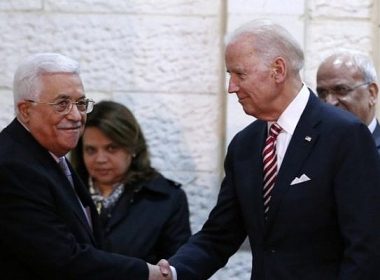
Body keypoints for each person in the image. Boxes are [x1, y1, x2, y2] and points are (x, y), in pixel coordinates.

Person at [157, 19, 380, 280]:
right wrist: (172, 272)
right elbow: (220, 234)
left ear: (278, 70)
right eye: (230, 76)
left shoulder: (345, 135)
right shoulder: (244, 146)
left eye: (240, 74)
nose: (231, 87)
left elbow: (366, 247)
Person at [0, 52, 169, 280]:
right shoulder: (13, 166)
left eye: (80, 103)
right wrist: (149, 273)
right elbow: (63, 260)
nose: (76, 115)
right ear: (26, 111)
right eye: (62, 104)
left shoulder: (49, 156)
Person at [70, 100, 191, 264]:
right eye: (91, 150)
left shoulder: (166, 199)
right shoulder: (67, 191)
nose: (100, 159)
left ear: (132, 148)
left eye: (111, 148)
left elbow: (177, 269)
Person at [316, 51, 380, 153]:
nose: (329, 102)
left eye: (341, 90)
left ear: (372, 93)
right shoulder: (313, 148)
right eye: (322, 93)